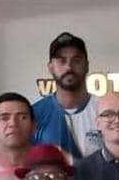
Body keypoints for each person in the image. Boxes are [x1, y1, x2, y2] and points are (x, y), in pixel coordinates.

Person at [31, 32, 101, 160]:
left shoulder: (104, 110)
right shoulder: (34, 114)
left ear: (87, 65)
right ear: (50, 67)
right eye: (61, 61)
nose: (69, 67)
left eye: (76, 60)